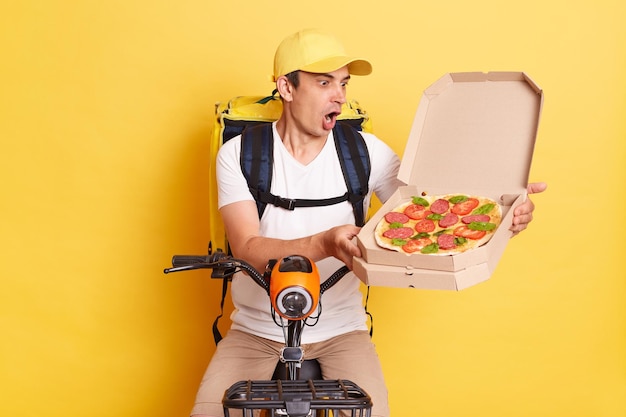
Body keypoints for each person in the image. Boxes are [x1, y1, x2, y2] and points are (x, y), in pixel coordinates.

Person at [191, 28, 547, 417]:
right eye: (324, 82)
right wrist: (325, 243)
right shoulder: (240, 153)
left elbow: (429, 211)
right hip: (255, 331)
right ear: (286, 89)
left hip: (343, 330)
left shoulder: (365, 152)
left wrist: (498, 204)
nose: (339, 96)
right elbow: (247, 247)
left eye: (343, 83)